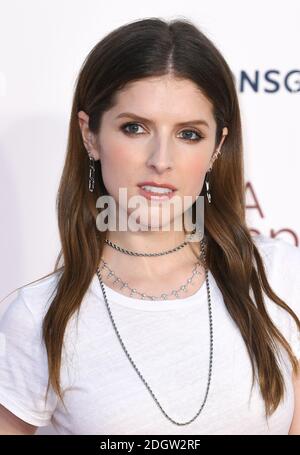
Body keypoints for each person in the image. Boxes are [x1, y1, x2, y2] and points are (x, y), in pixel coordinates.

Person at [0, 17, 299, 436]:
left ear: (217, 147)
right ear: (90, 135)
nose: (161, 159)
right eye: (135, 128)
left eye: (189, 134)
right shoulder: (38, 318)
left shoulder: (281, 279)